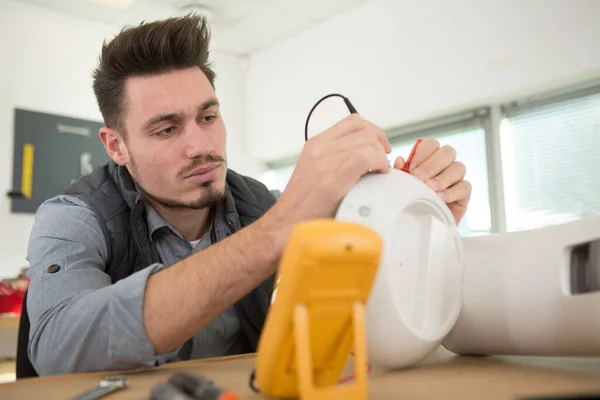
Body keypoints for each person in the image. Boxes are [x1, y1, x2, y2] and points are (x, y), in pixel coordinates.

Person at [24, 14, 472, 376]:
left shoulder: (264, 204)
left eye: (208, 116)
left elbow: (374, 294)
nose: (201, 146)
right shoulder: (73, 216)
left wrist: (419, 221)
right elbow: (59, 347)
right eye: (166, 129)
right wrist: (278, 230)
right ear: (116, 146)